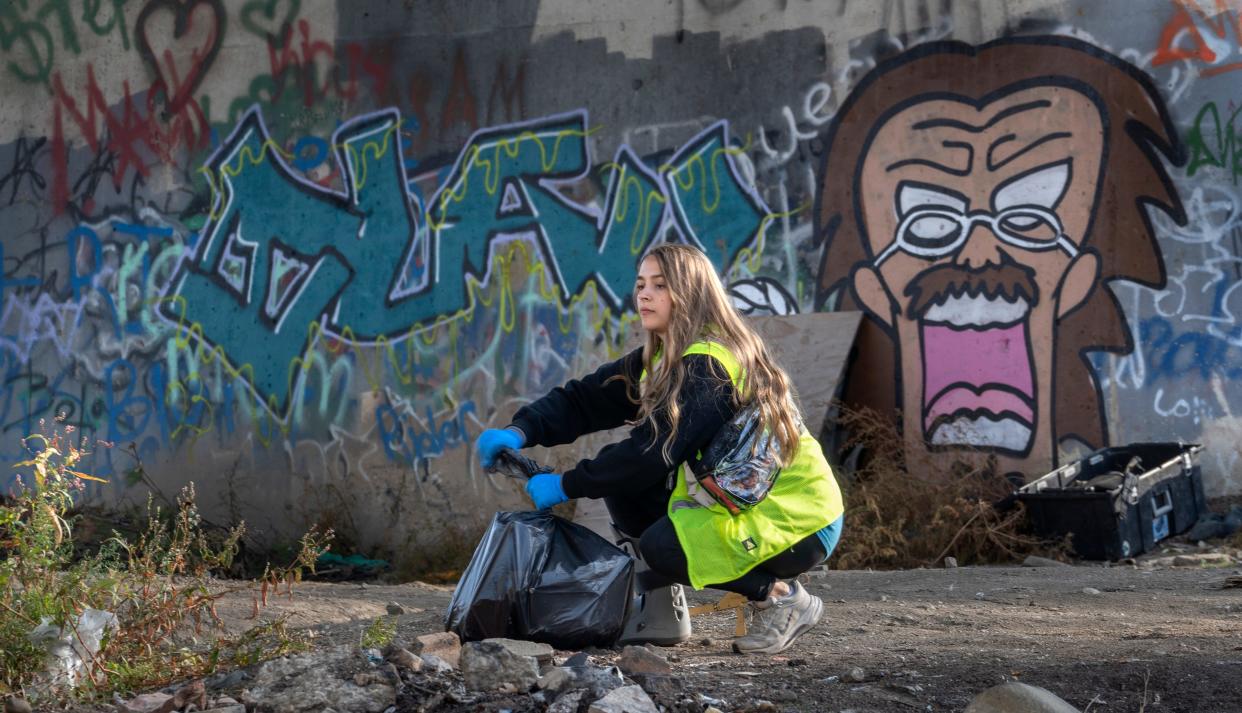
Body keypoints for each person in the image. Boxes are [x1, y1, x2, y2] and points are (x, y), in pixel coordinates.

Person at [475, 243, 845, 655]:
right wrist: (520, 431)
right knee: (625, 489)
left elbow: (651, 452)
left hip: (798, 517)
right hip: (743, 503)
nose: (644, 295)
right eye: (640, 284)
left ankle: (781, 597)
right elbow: (586, 400)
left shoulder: (711, 365)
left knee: (663, 545)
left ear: (690, 293)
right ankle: (661, 611)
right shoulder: (664, 358)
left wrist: (567, 483)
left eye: (660, 285)